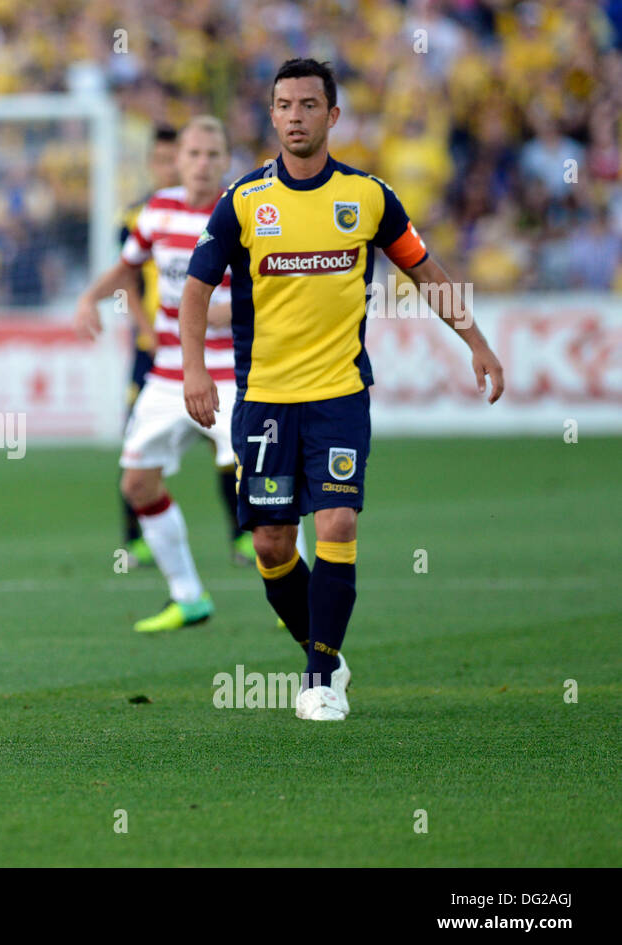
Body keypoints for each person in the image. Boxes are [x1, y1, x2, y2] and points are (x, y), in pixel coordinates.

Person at [181, 59, 504, 719]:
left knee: (337, 519)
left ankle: (319, 678)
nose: (295, 116)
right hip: (264, 400)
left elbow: (427, 272)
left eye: (308, 105)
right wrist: (193, 368)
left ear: (333, 116)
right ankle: (319, 645)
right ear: (271, 116)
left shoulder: (368, 198)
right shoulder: (244, 199)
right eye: (283, 105)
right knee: (272, 543)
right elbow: (194, 289)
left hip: (339, 395)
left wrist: (476, 340)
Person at [76, 116, 272, 633]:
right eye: (193, 154)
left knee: (261, 487)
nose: (202, 164)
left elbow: (266, 293)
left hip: (232, 374)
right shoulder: (157, 209)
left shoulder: (246, 213)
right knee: (138, 484)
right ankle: (188, 597)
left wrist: (206, 313)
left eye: (213, 154)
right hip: (167, 374)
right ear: (177, 158)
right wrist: (90, 297)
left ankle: (297, 594)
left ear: (226, 159)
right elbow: (128, 263)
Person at [115, 124, 179, 568]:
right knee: (135, 441)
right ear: (151, 164)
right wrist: (146, 330)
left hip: (200, 347)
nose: (169, 166)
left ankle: (244, 536)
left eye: (177, 157)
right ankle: (135, 539)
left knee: (230, 446)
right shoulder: (135, 217)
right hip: (149, 348)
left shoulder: (214, 213)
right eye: (161, 159)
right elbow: (127, 281)